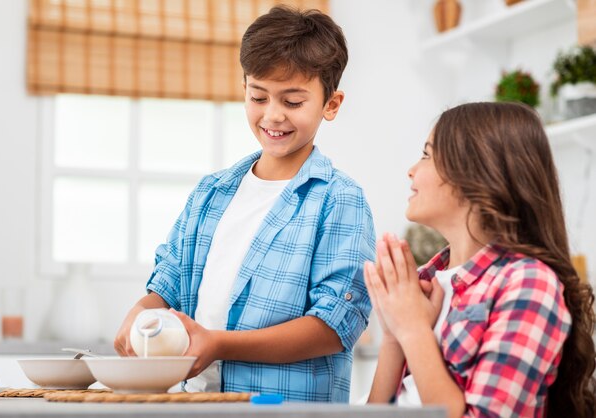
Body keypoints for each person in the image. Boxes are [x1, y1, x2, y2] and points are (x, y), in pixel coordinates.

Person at [114, 5, 375, 403]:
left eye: (292, 102)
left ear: (331, 104)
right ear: (244, 89)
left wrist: (219, 344)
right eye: (258, 96)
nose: (272, 115)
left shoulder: (339, 200)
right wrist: (143, 308)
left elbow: (334, 325)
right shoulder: (211, 192)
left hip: (286, 409)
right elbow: (169, 280)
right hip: (196, 402)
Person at [364, 102, 596, 417]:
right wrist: (394, 335)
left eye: (427, 155)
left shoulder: (528, 283)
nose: (412, 170)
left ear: (477, 173)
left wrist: (413, 329)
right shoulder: (428, 281)